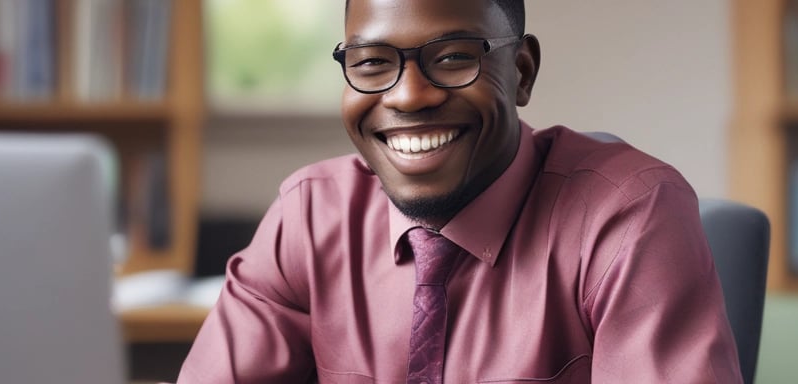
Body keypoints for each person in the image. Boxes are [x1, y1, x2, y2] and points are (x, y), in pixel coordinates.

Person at [177, 0, 742, 382]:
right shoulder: (309, 215)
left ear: (521, 72)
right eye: (372, 63)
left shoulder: (630, 216)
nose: (409, 96)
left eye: (452, 58)